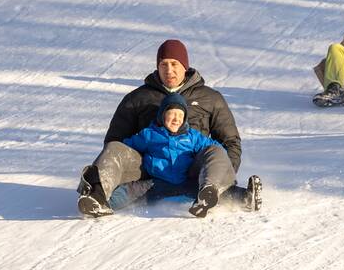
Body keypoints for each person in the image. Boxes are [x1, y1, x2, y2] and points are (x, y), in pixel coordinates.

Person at [77, 39, 260, 216]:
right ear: (157, 66)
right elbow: (115, 140)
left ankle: (213, 192)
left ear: (185, 66)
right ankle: (97, 196)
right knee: (114, 147)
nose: (169, 70)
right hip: (149, 173)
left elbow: (231, 142)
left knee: (215, 150)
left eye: (174, 64)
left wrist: (223, 176)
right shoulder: (137, 99)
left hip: (195, 174)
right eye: (164, 64)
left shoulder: (210, 98)